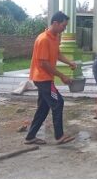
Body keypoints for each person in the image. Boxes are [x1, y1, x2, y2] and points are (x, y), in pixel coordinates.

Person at [23, 11, 77, 146]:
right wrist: (62, 75)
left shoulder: (54, 37)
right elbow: (43, 63)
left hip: (46, 78)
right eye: (63, 26)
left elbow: (57, 54)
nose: (64, 29)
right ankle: (59, 136)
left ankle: (30, 137)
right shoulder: (43, 39)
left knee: (43, 108)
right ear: (55, 23)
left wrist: (69, 62)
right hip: (42, 78)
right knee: (58, 102)